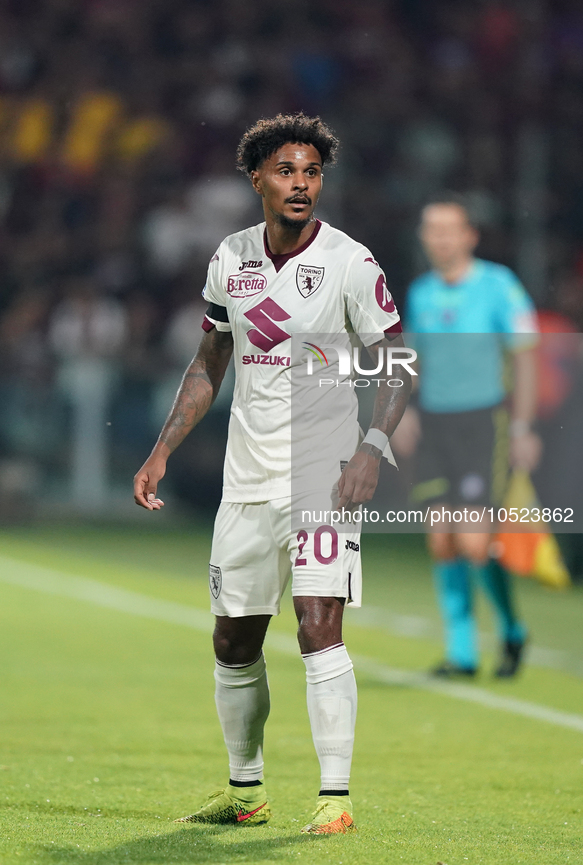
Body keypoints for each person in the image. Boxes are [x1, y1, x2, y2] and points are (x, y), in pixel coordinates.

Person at [133, 114, 411, 833]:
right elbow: (209, 360)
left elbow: (397, 360)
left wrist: (371, 445)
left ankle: (336, 798)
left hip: (322, 475)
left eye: (312, 173)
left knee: (318, 626)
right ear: (256, 177)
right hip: (247, 478)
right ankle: (246, 790)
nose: (301, 184)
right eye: (287, 171)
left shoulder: (350, 262)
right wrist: (162, 448)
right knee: (233, 639)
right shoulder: (230, 258)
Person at [392, 193, 541, 679]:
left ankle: (514, 629)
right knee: (442, 542)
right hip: (435, 424)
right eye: (431, 229)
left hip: (483, 423)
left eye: (448, 229)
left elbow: (524, 356)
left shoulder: (499, 286)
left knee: (476, 544)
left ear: (469, 236)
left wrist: (522, 426)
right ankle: (462, 654)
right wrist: (405, 411)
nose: (439, 238)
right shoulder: (422, 293)